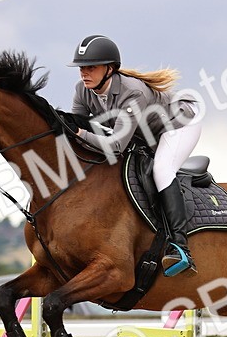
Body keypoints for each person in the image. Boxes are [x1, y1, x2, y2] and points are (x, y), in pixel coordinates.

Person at [68, 34, 201, 277]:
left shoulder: (133, 92)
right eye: (81, 68)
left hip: (177, 126)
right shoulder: (82, 90)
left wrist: (77, 132)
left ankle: (181, 247)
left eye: (91, 67)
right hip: (143, 134)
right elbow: (79, 126)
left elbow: (114, 144)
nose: (84, 73)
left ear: (109, 69)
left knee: (162, 170)